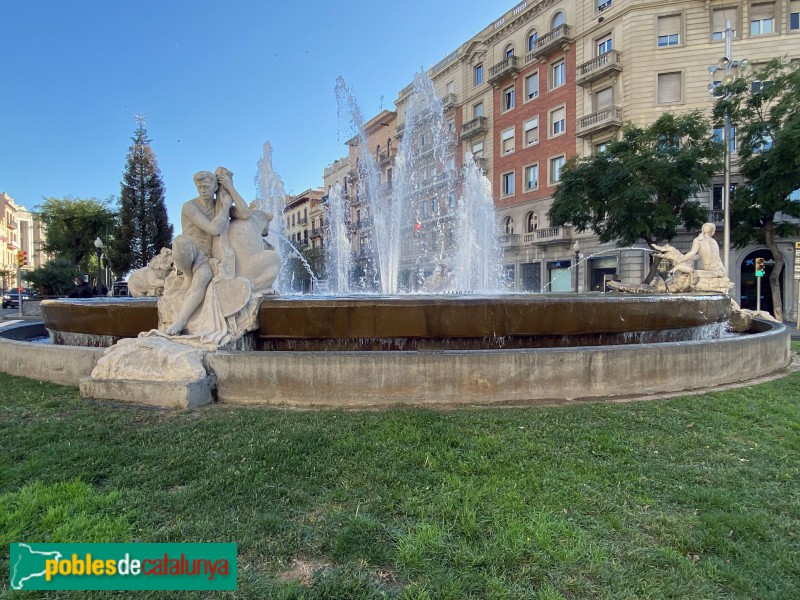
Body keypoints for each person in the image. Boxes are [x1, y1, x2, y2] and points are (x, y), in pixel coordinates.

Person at [165, 168, 251, 335]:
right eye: (199, 187)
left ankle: (180, 322)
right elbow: (213, 229)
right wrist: (226, 207)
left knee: (202, 280)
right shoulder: (190, 206)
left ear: (215, 187)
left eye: (206, 187)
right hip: (188, 254)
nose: (203, 191)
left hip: (204, 258)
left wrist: (231, 189)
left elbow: (246, 214)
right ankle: (187, 276)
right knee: (181, 241)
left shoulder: (219, 206)